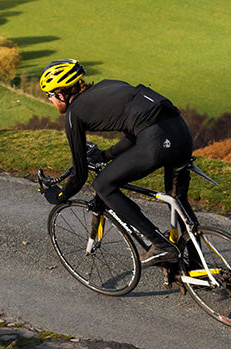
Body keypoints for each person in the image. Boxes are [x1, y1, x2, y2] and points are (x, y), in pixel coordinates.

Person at [39, 59, 199, 266]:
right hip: (180, 131)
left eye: (50, 96)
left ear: (61, 93)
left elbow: (80, 175)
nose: (50, 101)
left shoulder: (74, 114)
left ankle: (162, 246)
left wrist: (61, 196)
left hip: (157, 140)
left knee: (103, 185)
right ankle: (197, 267)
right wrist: (105, 155)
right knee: (177, 201)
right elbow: (134, 134)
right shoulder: (109, 84)